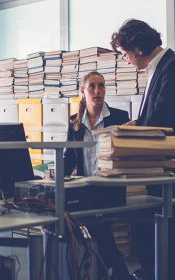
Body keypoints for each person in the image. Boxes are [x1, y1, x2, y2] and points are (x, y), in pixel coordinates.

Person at [110, 19, 175, 280]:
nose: (126, 60)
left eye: (124, 54)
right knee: (154, 218)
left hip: (172, 160)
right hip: (159, 161)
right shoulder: (158, 68)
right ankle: (156, 272)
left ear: (137, 48)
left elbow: (163, 115)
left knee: (159, 218)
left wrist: (134, 126)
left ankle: (168, 273)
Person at [64, 71, 130, 279]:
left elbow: (127, 155)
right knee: (68, 221)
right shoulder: (75, 122)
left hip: (111, 190)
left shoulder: (119, 117)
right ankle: (115, 271)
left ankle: (113, 270)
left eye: (101, 86)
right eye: (91, 86)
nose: (97, 91)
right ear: (83, 91)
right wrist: (56, 181)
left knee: (95, 226)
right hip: (86, 189)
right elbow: (70, 160)